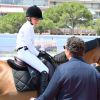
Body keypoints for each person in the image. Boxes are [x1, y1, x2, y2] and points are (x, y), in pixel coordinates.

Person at [30, 36, 99, 100]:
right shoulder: (94, 72)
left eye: (64, 47)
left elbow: (48, 96)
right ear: (83, 52)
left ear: (68, 51)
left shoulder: (61, 70)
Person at [16, 5, 49, 94]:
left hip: (26, 51)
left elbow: (31, 45)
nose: (37, 21)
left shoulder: (30, 27)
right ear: (29, 18)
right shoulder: (27, 28)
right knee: (45, 70)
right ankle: (43, 96)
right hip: (24, 52)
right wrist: (37, 53)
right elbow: (29, 45)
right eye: (36, 19)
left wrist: (38, 52)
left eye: (38, 19)